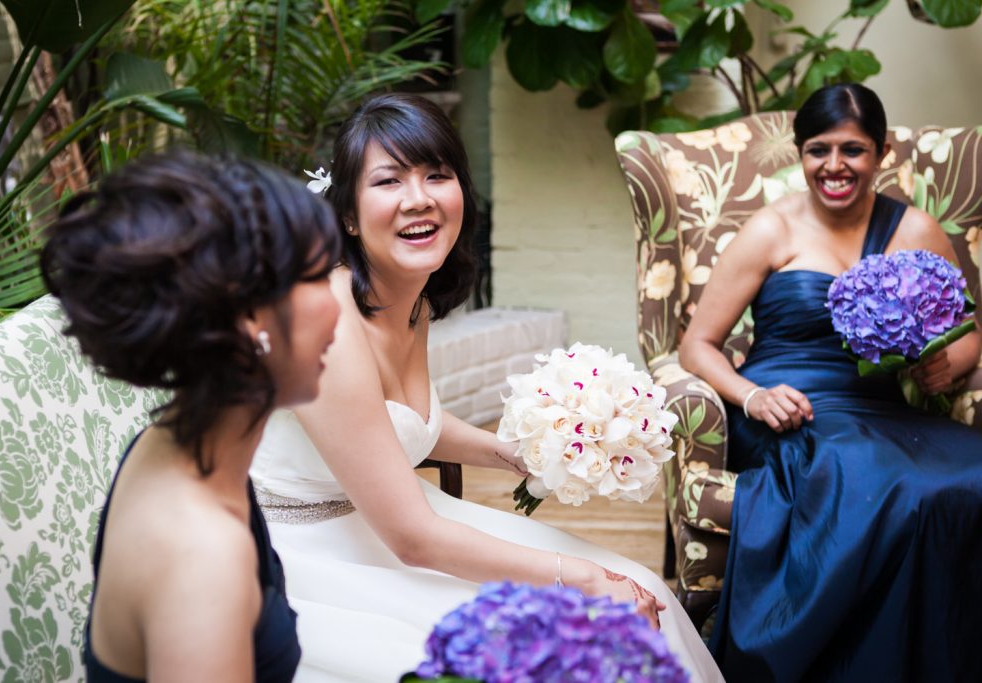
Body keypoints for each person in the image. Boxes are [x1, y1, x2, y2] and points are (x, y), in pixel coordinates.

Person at [248, 93, 724, 682]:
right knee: (556, 645)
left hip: (393, 520)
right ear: (348, 214)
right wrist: (582, 579)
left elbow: (397, 420)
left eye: (436, 175)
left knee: (646, 586)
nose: (417, 199)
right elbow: (412, 540)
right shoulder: (327, 320)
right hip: (314, 556)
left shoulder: (412, 297)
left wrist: (518, 454)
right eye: (389, 181)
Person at [679, 82, 982, 681]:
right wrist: (752, 395)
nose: (835, 166)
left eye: (853, 149)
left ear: (882, 151)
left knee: (970, 473)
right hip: (787, 408)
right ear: (800, 153)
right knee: (881, 480)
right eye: (819, 150)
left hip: (883, 409)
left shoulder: (916, 229)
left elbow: (970, 331)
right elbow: (696, 346)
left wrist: (949, 363)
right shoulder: (771, 229)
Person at [40, 151, 341, 682]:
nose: (338, 305)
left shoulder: (172, 437)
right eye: (318, 278)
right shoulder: (203, 561)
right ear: (248, 316)